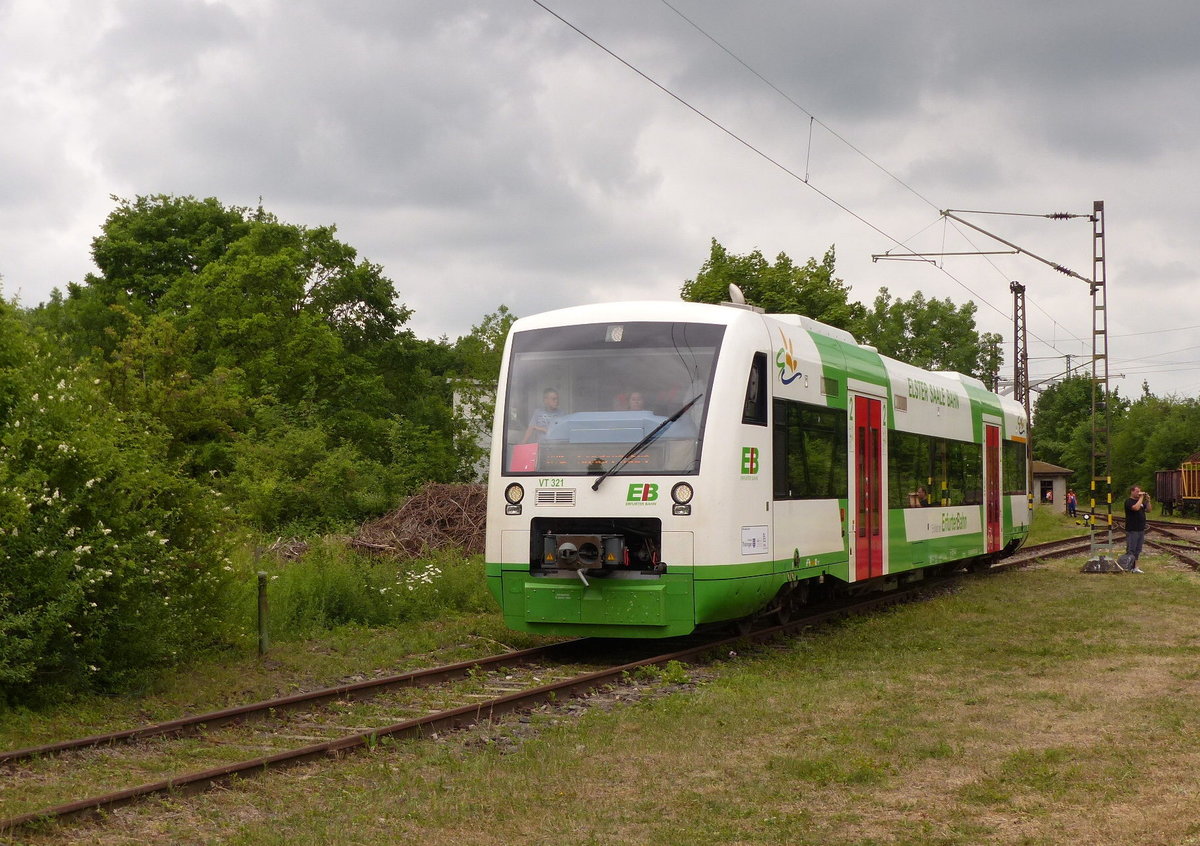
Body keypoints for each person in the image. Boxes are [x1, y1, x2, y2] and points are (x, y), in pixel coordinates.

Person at [1123, 484, 1149, 573]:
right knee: (1131, 549)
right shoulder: (1129, 501)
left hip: (1140, 529)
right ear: (1132, 491)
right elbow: (1136, 508)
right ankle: (1128, 566)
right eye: (1137, 491)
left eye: (1139, 491)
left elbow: (1149, 510)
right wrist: (1141, 498)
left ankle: (1135, 568)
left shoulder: (1140, 501)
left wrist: (1148, 501)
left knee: (1138, 550)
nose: (1139, 493)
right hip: (1132, 529)